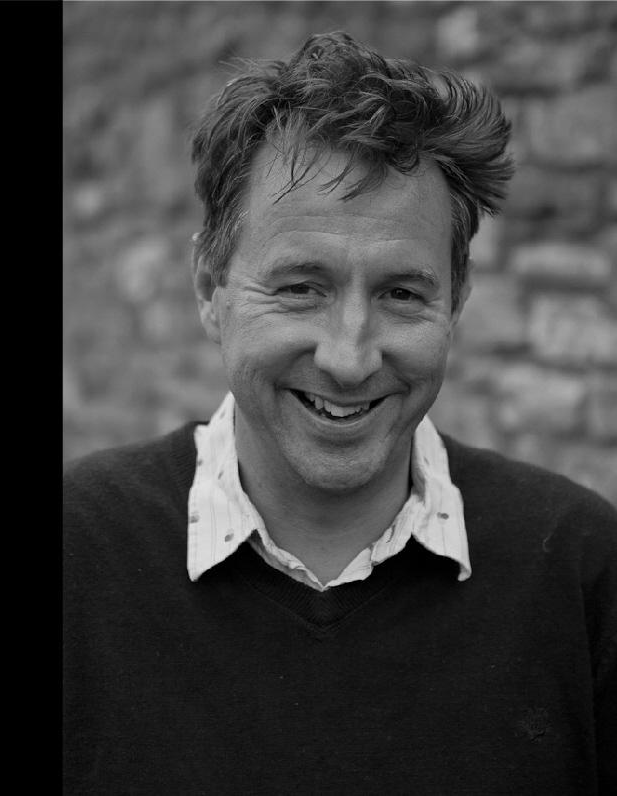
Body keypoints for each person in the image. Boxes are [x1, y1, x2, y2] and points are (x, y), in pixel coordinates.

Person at [63, 31, 616, 795]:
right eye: (300, 288)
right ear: (209, 287)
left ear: (455, 304)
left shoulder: (580, 568)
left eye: (401, 293)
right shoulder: (79, 552)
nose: (349, 358)